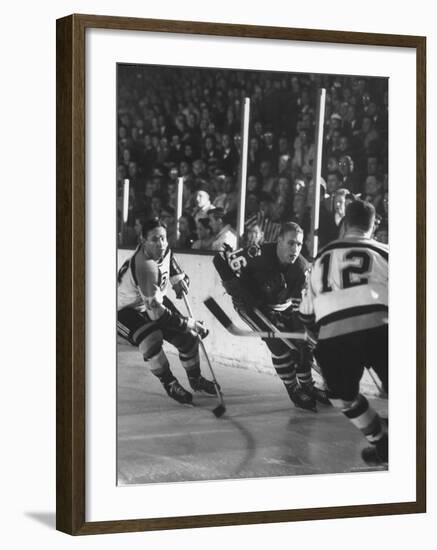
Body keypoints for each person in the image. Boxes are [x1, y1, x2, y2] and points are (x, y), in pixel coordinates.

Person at [299, 199, 388, 465]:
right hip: (381, 329)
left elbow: (306, 314)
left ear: (345, 223)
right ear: (373, 225)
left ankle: (381, 443)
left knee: (341, 396)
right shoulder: (385, 252)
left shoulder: (321, 258)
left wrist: (317, 333)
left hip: (334, 338)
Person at [213, 222, 329, 412]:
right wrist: (233, 285)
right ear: (279, 241)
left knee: (301, 345)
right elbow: (220, 260)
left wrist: (302, 338)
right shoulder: (256, 254)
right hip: (251, 307)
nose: (295, 249)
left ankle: (307, 385)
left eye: (299, 245)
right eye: (291, 243)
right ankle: (293, 387)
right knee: (279, 344)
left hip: (283, 306)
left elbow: (302, 308)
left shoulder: (302, 269)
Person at [117, 218, 215, 404]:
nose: (160, 243)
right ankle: (169, 383)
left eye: (163, 238)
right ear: (142, 241)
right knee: (151, 340)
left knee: (189, 338)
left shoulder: (163, 250)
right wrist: (189, 322)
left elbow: (170, 264)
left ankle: (195, 380)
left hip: (149, 301)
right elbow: (157, 315)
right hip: (124, 309)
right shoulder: (145, 266)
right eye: (154, 239)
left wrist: (180, 280)